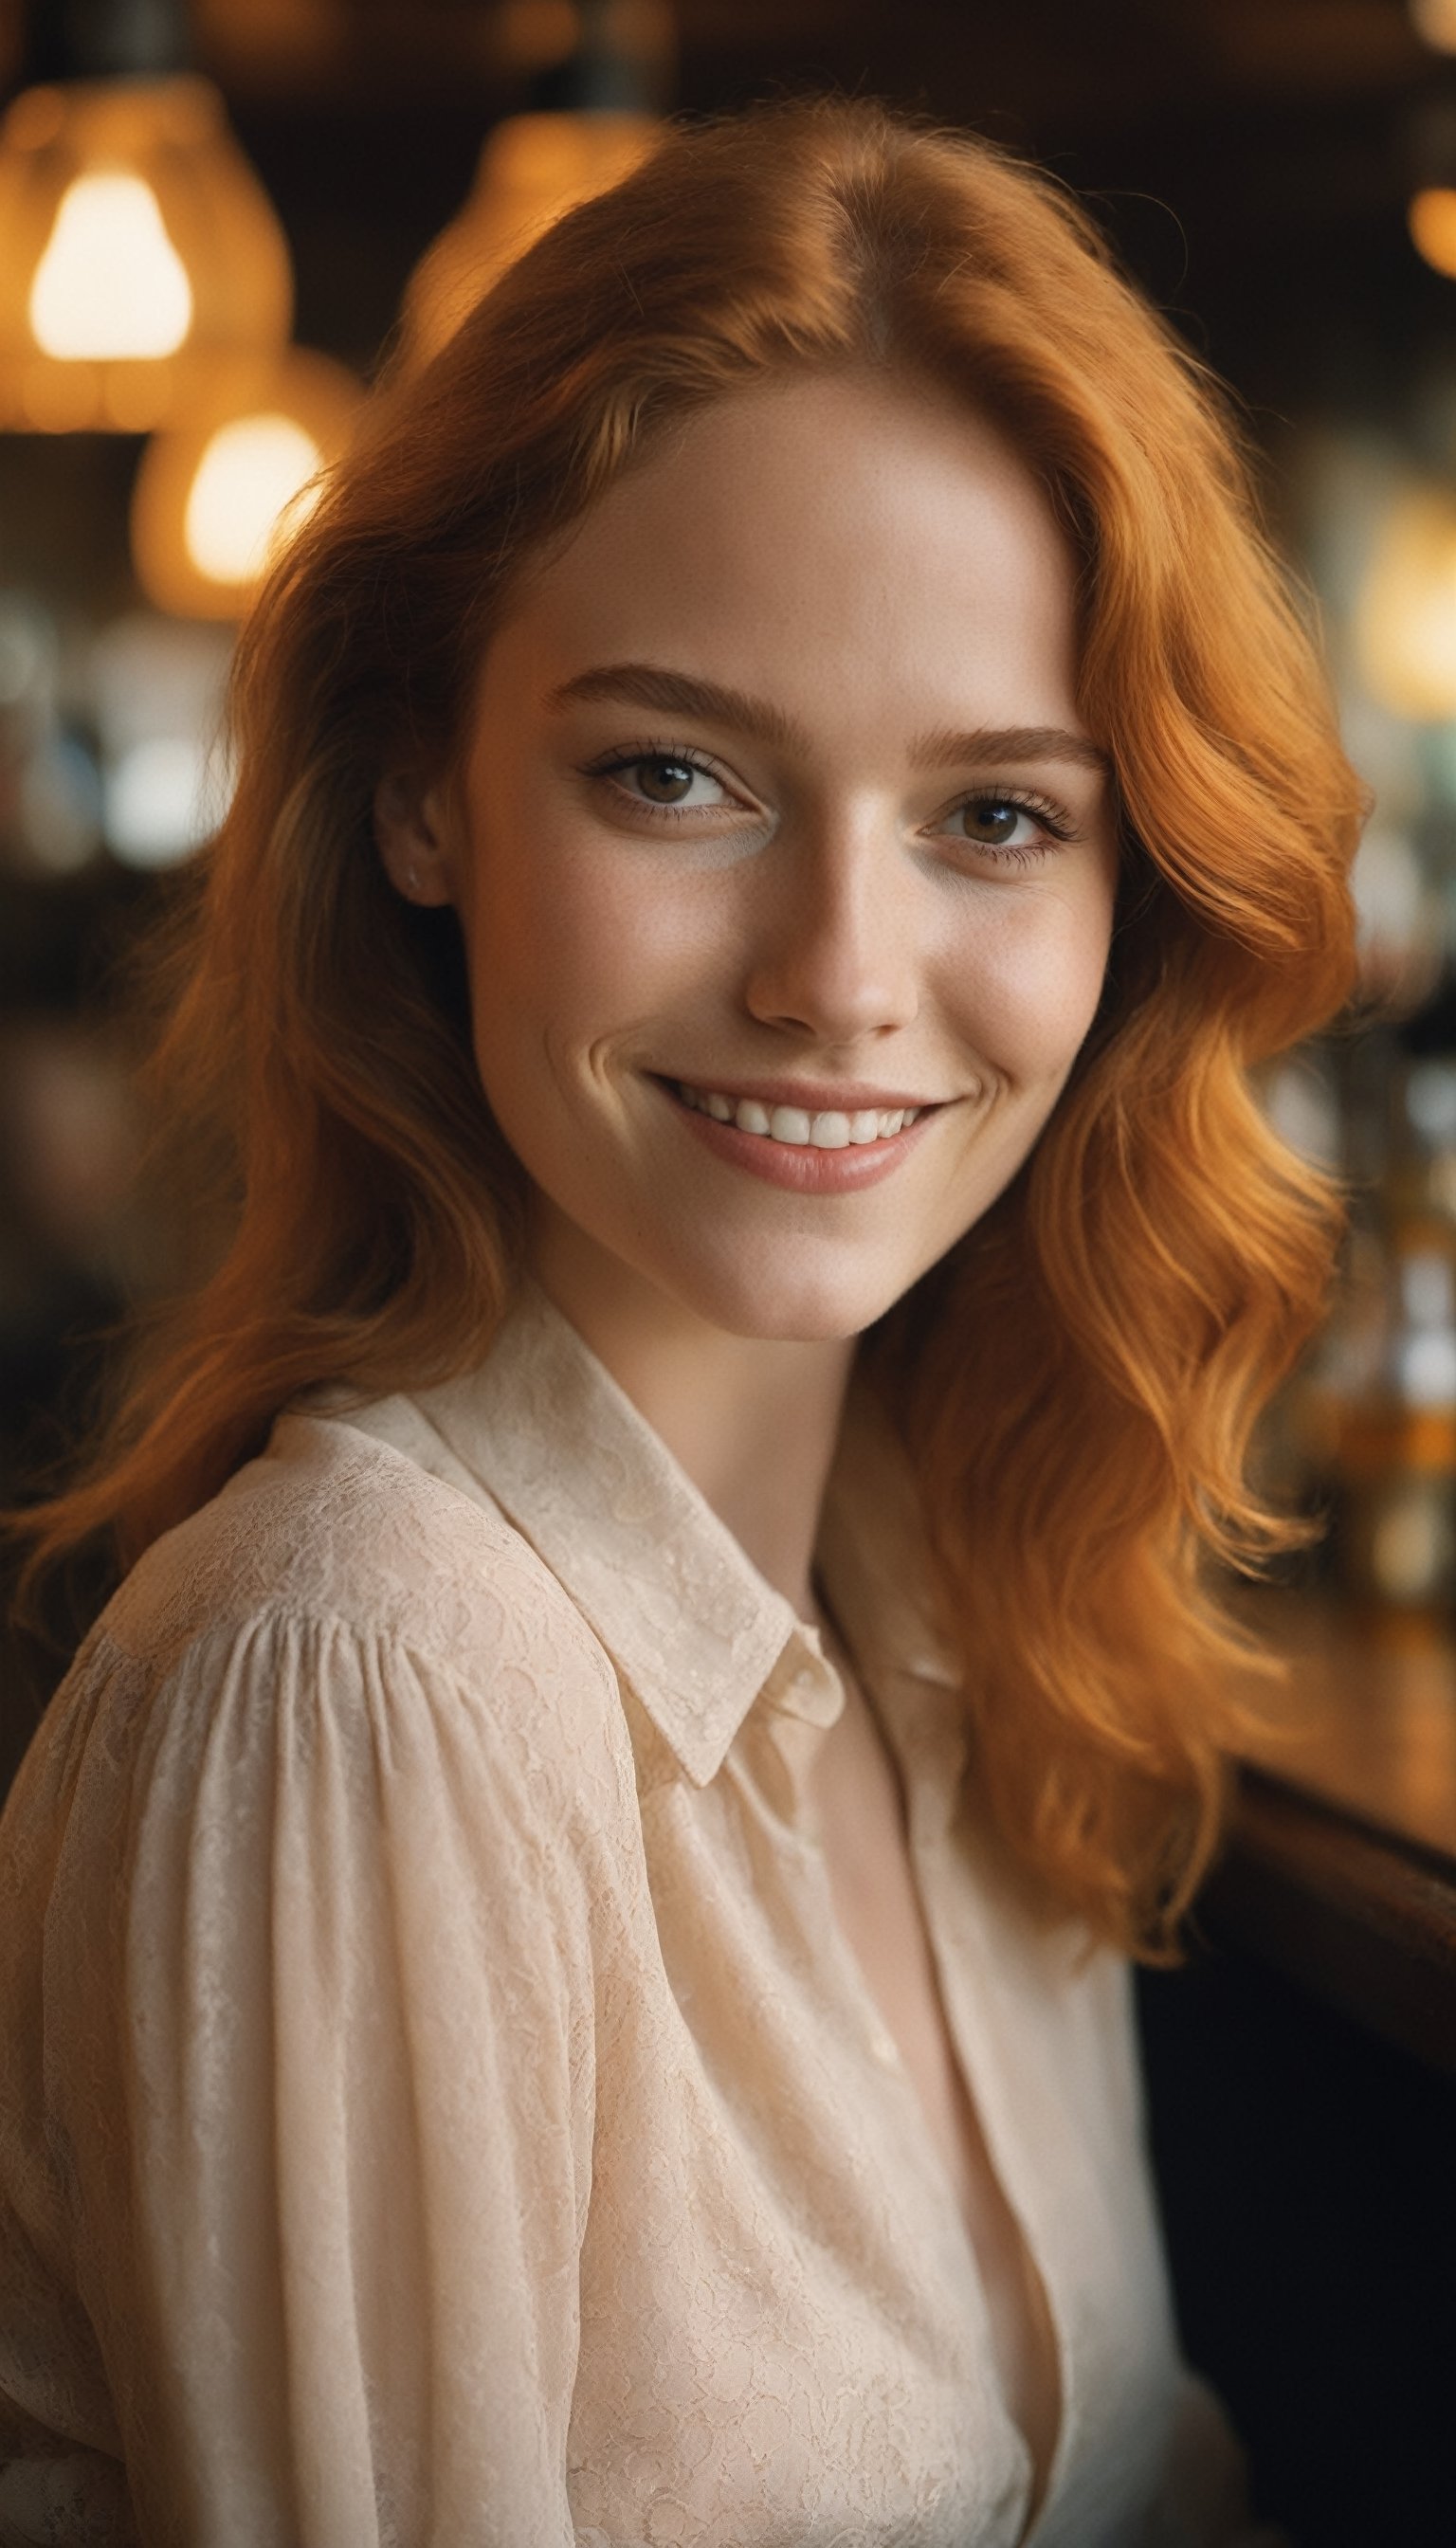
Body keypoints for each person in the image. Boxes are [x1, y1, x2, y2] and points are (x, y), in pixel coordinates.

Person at [0, 96, 1360, 2548]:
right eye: (674, 776)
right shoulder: (363, 1688)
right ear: (425, 792)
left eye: (996, 817)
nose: (840, 978)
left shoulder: (952, 1584)